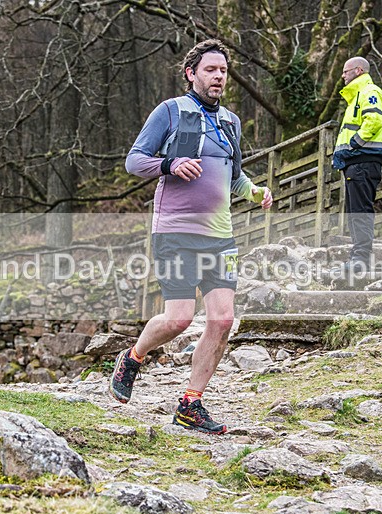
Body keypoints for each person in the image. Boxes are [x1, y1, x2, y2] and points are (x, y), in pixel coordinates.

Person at [109, 39, 273, 434]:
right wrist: (170, 164)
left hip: (220, 236)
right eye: (210, 70)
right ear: (191, 73)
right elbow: (134, 161)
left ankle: (190, 403)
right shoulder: (170, 111)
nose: (218, 77)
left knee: (222, 320)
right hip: (176, 232)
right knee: (180, 319)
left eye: (223, 71)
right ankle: (133, 357)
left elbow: (234, 177)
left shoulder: (230, 122)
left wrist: (254, 191)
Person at [332, 56, 382, 273]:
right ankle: (358, 256)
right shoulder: (356, 96)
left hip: (363, 160)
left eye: (345, 71)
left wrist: (354, 144)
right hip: (356, 162)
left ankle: (361, 258)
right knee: (354, 210)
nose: (342, 76)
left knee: (360, 210)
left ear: (357, 70)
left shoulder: (369, 92)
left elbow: (373, 121)